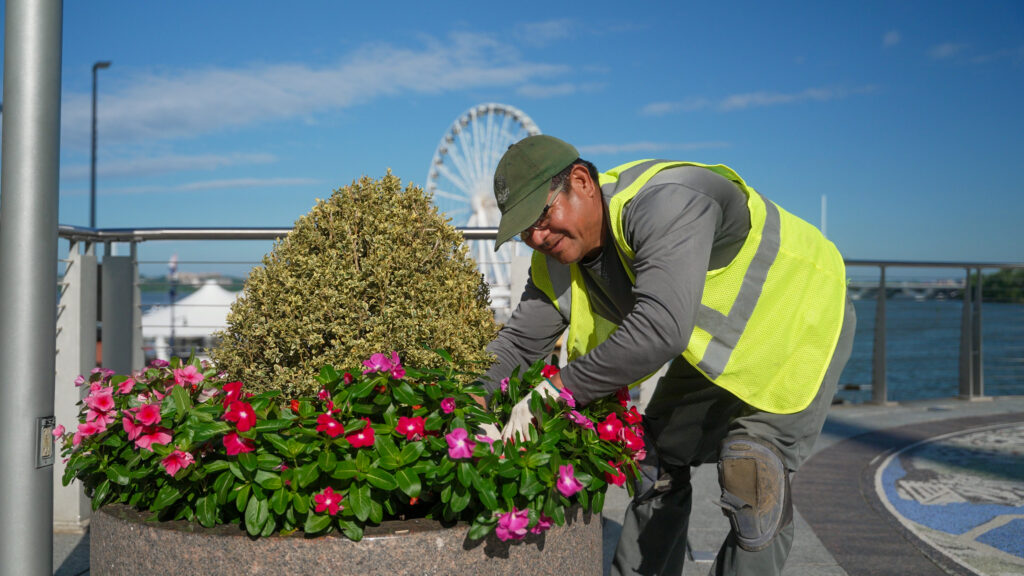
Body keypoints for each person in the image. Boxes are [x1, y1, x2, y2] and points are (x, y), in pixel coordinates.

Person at [480, 134, 856, 576]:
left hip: (798, 317)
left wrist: (557, 391)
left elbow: (662, 328)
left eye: (541, 216)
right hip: (721, 346)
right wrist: (472, 400)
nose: (537, 236)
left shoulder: (666, 202)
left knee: (752, 477)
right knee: (652, 460)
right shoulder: (557, 258)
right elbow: (520, 343)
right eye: (523, 230)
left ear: (581, 181)